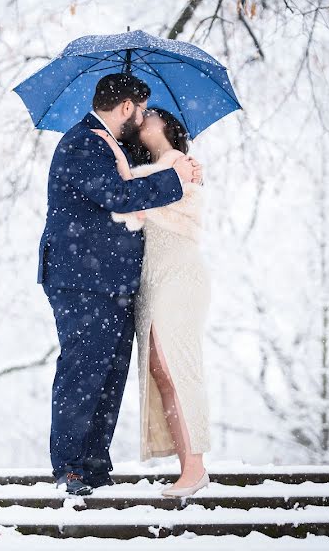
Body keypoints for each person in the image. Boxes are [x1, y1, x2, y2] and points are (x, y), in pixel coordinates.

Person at [37, 73, 202, 496]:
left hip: (113, 282)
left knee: (109, 375)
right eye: (142, 109)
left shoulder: (111, 146)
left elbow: (136, 175)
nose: (145, 116)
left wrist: (176, 160)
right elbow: (116, 195)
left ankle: (93, 466)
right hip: (82, 280)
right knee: (83, 370)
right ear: (127, 107)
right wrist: (175, 180)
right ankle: (71, 467)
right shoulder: (82, 143)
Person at [93, 106, 211, 498]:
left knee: (177, 362)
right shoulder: (157, 171)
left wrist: (114, 155)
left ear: (170, 126)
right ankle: (188, 464)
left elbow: (130, 196)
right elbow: (128, 203)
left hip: (178, 271)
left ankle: (195, 466)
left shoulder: (180, 164)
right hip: (151, 278)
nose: (144, 116)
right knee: (160, 369)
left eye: (152, 113)